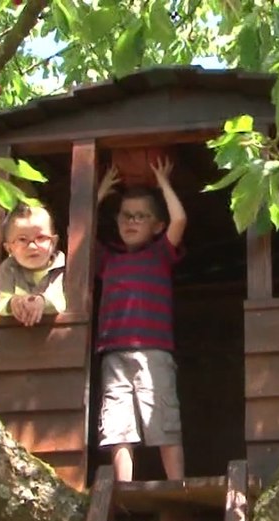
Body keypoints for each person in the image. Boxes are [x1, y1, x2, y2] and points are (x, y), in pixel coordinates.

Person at [94, 158, 187, 483]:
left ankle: (178, 487)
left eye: (141, 216)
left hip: (154, 352)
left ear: (157, 226)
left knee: (163, 419)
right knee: (117, 426)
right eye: (125, 215)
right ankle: (124, 490)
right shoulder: (107, 258)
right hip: (113, 353)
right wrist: (99, 193)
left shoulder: (159, 254)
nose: (131, 221)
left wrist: (163, 183)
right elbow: (78, 232)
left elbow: (179, 219)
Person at [0, 204, 65, 326]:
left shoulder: (61, 267)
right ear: (9, 249)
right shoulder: (8, 268)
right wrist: (12, 303)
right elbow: (1, 304)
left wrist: (43, 302)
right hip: (15, 333)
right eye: (22, 239)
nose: (32, 246)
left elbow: (62, 302)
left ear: (53, 243)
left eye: (41, 237)